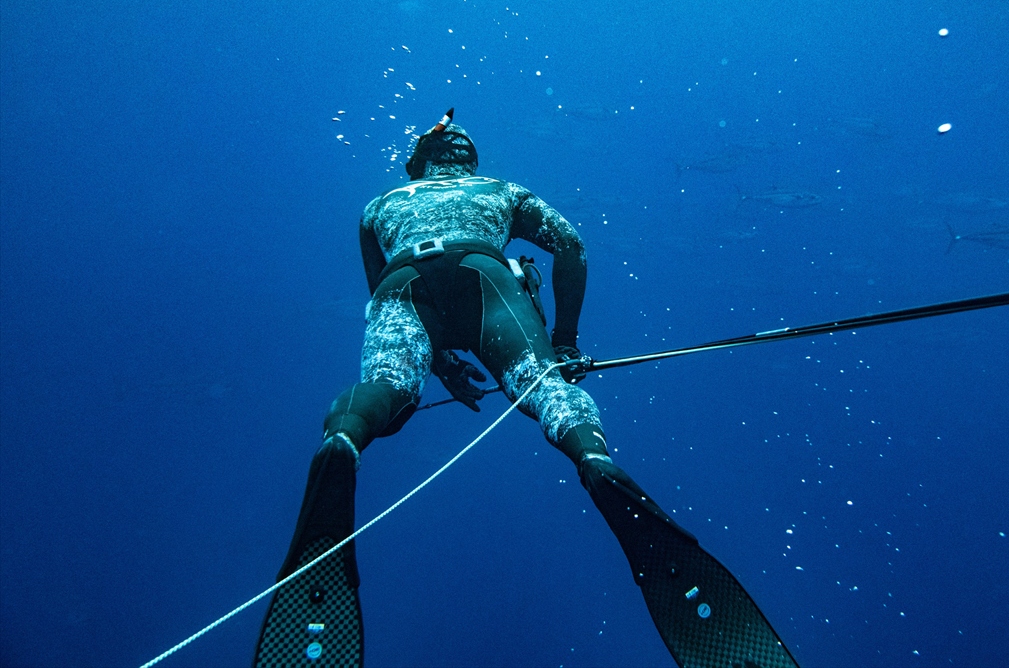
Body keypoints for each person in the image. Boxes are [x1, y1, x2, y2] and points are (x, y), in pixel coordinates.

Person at [254, 111, 798, 668]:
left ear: (418, 165)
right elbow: (571, 244)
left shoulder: (378, 207)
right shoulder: (500, 190)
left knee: (387, 387)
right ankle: (593, 461)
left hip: (402, 279)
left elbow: (382, 295)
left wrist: (443, 364)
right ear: (465, 160)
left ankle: (341, 442)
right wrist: (564, 342)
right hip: (483, 272)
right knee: (544, 389)